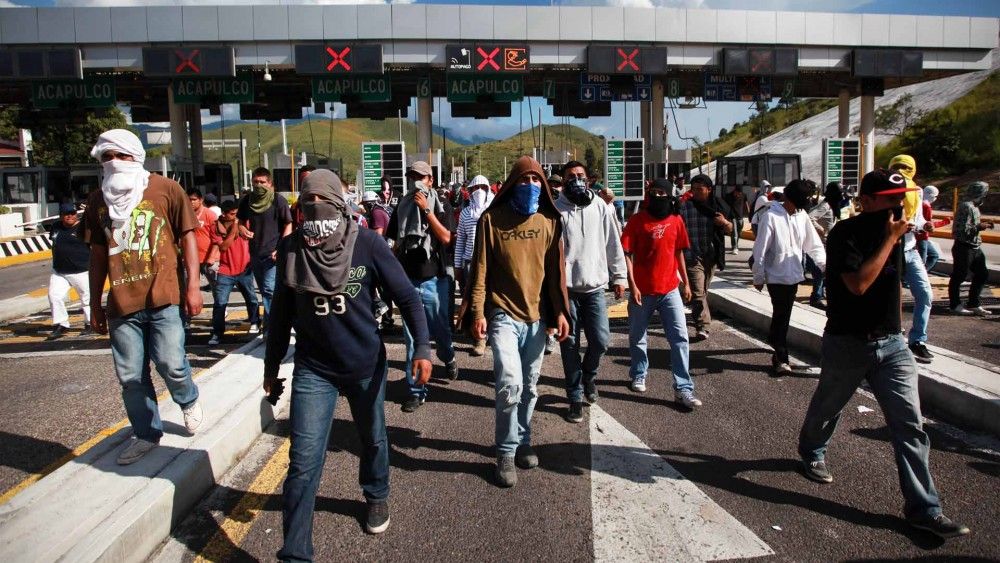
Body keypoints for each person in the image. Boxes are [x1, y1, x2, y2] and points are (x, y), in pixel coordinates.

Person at [264, 170, 433, 557]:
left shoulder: (368, 244)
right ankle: (295, 553)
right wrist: (271, 369)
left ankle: (376, 493)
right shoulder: (292, 250)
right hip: (314, 370)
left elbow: (407, 298)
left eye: (323, 202)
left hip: (363, 365)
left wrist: (422, 348)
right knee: (303, 462)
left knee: (372, 438)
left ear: (341, 205)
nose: (316, 211)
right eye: (308, 204)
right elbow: (279, 318)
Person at [797, 168, 969, 539]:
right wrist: (890, 239)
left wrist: (903, 241)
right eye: (890, 200)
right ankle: (812, 449)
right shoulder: (846, 234)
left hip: (892, 345)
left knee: (910, 426)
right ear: (868, 201)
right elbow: (858, 285)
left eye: (901, 199)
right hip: (847, 343)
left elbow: (900, 284)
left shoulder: (897, 236)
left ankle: (924, 509)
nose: (897, 206)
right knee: (829, 406)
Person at [84, 129, 203, 465]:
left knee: (171, 364)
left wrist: (193, 286)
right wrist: (94, 303)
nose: (114, 162)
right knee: (131, 377)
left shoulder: (166, 189)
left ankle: (188, 399)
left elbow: (188, 238)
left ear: (136, 156)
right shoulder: (97, 201)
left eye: (121, 155)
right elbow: (96, 256)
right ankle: (146, 433)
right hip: (122, 305)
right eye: (107, 157)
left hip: (164, 297)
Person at [468, 156, 570, 488]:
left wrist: (559, 313)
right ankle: (506, 452)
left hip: (537, 319)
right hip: (503, 315)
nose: (531, 186)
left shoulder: (549, 222)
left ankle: (524, 440)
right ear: (512, 183)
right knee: (509, 383)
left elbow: (555, 274)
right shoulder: (491, 220)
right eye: (524, 181)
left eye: (536, 180)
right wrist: (478, 312)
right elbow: (479, 270)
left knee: (530, 386)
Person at [555, 161, 627, 422]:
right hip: (568, 291)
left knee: (600, 341)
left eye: (580, 176)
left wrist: (620, 276)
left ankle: (589, 376)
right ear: (563, 181)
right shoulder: (555, 209)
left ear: (588, 179)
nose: (576, 180)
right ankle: (574, 396)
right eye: (571, 176)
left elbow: (612, 243)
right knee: (569, 343)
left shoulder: (600, 206)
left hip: (595, 288)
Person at [385, 161, 458, 412]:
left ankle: (448, 357)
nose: (414, 181)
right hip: (408, 281)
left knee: (441, 332)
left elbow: (447, 238)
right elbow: (394, 241)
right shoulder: (402, 205)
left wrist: (426, 210)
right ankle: (416, 390)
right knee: (412, 339)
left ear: (430, 180)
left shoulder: (442, 204)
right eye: (411, 177)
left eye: (420, 177)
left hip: (434, 280)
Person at [621, 179, 700, 408]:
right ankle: (638, 373)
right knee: (637, 336)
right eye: (652, 192)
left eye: (660, 192)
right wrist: (632, 284)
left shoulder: (676, 221)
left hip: (670, 290)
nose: (656, 196)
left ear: (668, 195)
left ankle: (683, 388)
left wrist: (685, 282)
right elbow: (626, 252)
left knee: (680, 339)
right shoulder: (637, 221)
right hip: (642, 291)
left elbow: (679, 253)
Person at [752, 180, 826, 375]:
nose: (809, 202)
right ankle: (780, 357)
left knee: (782, 315)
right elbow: (760, 249)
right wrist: (758, 277)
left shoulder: (802, 216)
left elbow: (813, 244)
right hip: (776, 276)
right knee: (782, 315)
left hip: (794, 275)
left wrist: (824, 265)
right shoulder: (771, 217)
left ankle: (774, 339)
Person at [888, 155, 935, 363]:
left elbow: (919, 219)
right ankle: (893, 337)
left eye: (906, 167)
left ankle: (917, 340)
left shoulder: (916, 191)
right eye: (897, 167)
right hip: (889, 250)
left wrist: (926, 226)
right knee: (890, 297)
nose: (902, 171)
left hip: (910, 249)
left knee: (925, 294)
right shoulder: (887, 189)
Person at [679, 173, 733, 341]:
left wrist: (724, 223)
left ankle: (699, 316)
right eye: (693, 189)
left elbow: (730, 230)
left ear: (709, 190)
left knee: (703, 291)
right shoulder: (685, 207)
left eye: (699, 189)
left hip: (711, 255)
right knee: (698, 291)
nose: (695, 192)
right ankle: (703, 325)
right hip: (692, 255)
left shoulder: (718, 207)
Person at [238, 167, 292, 332]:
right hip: (255, 253)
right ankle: (274, 322)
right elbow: (240, 222)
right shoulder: (247, 201)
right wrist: (242, 230)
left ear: (269, 183)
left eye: (262, 182)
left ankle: (272, 329)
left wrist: (281, 247)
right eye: (256, 182)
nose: (259, 185)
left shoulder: (278, 201)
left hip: (272, 253)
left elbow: (288, 224)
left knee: (269, 290)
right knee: (264, 291)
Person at [208, 200, 261, 345]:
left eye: (237, 213)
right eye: (232, 214)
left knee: (251, 298)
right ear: (224, 214)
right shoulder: (215, 227)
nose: (236, 217)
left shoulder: (244, 223)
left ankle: (255, 322)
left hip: (245, 268)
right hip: (225, 270)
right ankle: (218, 333)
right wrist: (234, 229)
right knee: (220, 303)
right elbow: (223, 247)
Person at [454, 175, 493, 357]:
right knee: (474, 301)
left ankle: (493, 333)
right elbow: (461, 239)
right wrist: (457, 265)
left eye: (482, 187)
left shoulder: (494, 209)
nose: (479, 191)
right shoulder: (465, 213)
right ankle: (479, 338)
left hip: (492, 261)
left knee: (491, 300)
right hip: (471, 261)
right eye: (475, 188)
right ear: (469, 191)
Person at [46, 202, 91, 340]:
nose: (70, 216)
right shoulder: (56, 227)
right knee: (54, 296)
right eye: (66, 214)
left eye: (72, 213)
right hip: (59, 271)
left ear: (76, 214)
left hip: (81, 271)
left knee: (87, 299)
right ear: (61, 216)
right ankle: (61, 324)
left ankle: (90, 323)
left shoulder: (83, 227)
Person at [949, 181, 993, 316]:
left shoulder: (974, 206)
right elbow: (961, 230)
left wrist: (981, 224)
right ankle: (955, 305)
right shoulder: (966, 206)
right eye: (984, 193)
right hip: (964, 247)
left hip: (974, 246)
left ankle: (973, 303)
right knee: (959, 275)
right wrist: (980, 227)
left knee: (982, 273)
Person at [806, 182, 844, 309]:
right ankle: (816, 297)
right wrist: (821, 230)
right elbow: (810, 217)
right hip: (821, 245)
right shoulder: (825, 206)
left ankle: (821, 294)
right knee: (820, 272)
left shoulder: (833, 206)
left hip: (829, 245)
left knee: (826, 271)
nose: (842, 196)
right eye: (840, 193)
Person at [187, 188, 219, 290]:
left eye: (193, 199)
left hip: (209, 259)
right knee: (190, 288)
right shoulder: (185, 215)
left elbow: (217, 238)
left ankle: (219, 306)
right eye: (188, 200)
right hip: (191, 259)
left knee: (217, 288)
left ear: (201, 200)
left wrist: (212, 257)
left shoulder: (210, 215)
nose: (191, 202)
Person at [916, 185, 949, 273]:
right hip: (922, 238)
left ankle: (920, 275)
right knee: (922, 262)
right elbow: (928, 225)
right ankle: (918, 276)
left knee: (933, 255)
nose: (935, 199)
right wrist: (945, 222)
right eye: (935, 197)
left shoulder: (919, 204)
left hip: (920, 237)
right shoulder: (926, 206)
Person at [724, 185, 749, 254]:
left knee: (739, 232)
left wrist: (748, 213)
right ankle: (735, 247)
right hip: (732, 216)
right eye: (737, 193)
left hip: (740, 217)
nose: (738, 195)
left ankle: (735, 245)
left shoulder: (744, 195)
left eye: (740, 194)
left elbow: (746, 204)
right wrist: (726, 217)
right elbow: (725, 206)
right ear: (734, 191)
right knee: (734, 233)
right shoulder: (728, 196)